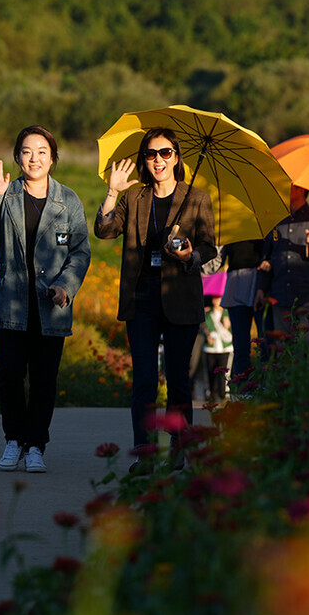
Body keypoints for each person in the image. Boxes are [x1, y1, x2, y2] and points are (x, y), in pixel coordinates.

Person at [94, 127, 216, 473]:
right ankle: (145, 454)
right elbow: (104, 230)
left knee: (178, 379)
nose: (158, 160)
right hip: (142, 298)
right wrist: (111, 192)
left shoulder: (197, 199)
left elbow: (208, 248)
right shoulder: (133, 198)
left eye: (165, 153)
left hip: (180, 298)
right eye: (150, 154)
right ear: (143, 160)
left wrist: (189, 255)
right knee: (145, 379)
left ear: (177, 157)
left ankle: (179, 450)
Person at [0, 125, 91, 473]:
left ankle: (36, 444)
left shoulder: (68, 200)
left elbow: (80, 252)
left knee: (43, 379)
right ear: (17, 157)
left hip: (49, 307)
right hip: (11, 302)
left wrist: (65, 287)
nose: (34, 158)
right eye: (26, 151)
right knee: (8, 373)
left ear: (53, 158)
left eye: (41, 151)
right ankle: (14, 440)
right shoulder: (5, 195)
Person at [256, 184, 309, 341]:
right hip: (281, 296)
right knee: (282, 351)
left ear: (301, 190)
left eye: (291, 186)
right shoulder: (276, 220)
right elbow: (266, 259)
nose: (285, 189)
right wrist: (260, 288)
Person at [218, 239, 264, 382]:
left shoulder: (264, 226)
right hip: (236, 284)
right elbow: (215, 263)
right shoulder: (230, 230)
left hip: (261, 284)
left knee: (265, 342)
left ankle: (267, 385)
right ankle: (244, 388)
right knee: (240, 344)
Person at [202, 294, 233, 402]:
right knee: (211, 371)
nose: (216, 301)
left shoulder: (227, 313)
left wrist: (228, 325)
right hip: (211, 348)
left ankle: (223, 393)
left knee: (224, 372)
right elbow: (203, 326)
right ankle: (211, 392)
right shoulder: (207, 313)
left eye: (218, 298)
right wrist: (207, 335)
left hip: (225, 347)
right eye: (214, 298)